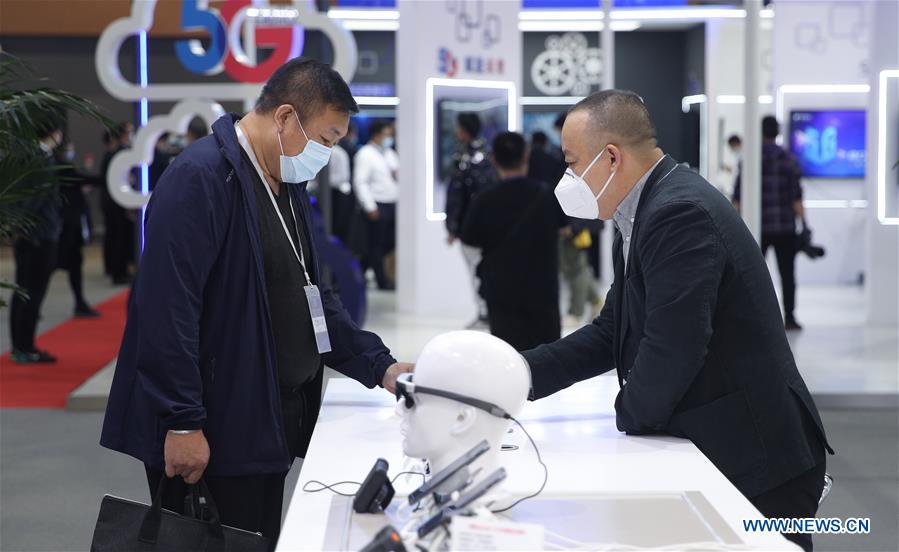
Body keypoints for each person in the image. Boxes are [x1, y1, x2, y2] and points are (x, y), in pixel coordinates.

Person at [100, 58, 413, 549]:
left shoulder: (284, 183)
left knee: (257, 539)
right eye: (326, 140)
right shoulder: (202, 178)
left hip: (263, 420)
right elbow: (167, 310)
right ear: (286, 118)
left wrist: (381, 366)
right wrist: (182, 419)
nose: (328, 154)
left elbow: (312, 295)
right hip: (214, 427)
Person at [523, 91, 832, 552]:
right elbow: (612, 329)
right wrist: (512, 374)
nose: (567, 176)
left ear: (610, 158)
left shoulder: (677, 212)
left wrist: (627, 417)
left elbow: (674, 347)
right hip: (727, 446)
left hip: (758, 460)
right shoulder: (639, 211)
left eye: (572, 162)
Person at [461, 132, 565, 351]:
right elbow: (564, 229)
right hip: (542, 289)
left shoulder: (484, 200)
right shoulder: (546, 195)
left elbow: (470, 241)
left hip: (501, 290)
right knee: (546, 358)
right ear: (526, 156)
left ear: (494, 159)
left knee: (508, 357)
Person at [733, 117, 805, 330]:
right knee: (788, 275)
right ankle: (790, 317)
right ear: (777, 132)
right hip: (785, 227)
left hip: (758, 228)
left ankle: (753, 318)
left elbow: (738, 198)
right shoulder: (789, 159)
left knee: (753, 275)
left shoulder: (750, 159)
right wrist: (805, 223)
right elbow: (796, 198)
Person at [528, 129, 602, 326]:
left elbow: (583, 193)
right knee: (575, 267)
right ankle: (595, 302)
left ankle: (576, 311)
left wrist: (574, 225)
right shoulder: (562, 161)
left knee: (576, 268)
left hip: (574, 224)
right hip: (570, 223)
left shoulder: (577, 163)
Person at [9, 122, 64, 364]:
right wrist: (26, 228)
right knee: (33, 291)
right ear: (54, 132)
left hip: (26, 235)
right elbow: (39, 198)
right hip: (39, 236)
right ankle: (26, 346)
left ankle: (20, 345)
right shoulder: (43, 159)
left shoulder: (25, 156)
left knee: (22, 290)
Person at [445, 112, 496, 329]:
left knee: (477, 272)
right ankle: (486, 312)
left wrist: (453, 227)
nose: (456, 132)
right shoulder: (488, 155)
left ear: (465, 129)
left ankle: (485, 314)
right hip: (487, 226)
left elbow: (457, 197)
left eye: (459, 127)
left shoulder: (464, 159)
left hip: (470, 228)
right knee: (483, 271)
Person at [55, 140, 101, 318]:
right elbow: (83, 179)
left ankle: (80, 302)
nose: (70, 152)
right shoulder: (62, 169)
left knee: (73, 264)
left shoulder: (63, 167)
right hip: (67, 225)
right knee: (56, 263)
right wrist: (109, 178)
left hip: (70, 226)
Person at [353, 119, 398, 290]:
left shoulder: (390, 154)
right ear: (376, 134)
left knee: (387, 244)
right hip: (377, 205)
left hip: (392, 204)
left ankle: (362, 271)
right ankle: (382, 280)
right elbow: (360, 182)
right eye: (386, 134)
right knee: (375, 245)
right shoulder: (365, 154)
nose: (389, 138)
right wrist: (369, 206)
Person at [100, 122, 135, 285]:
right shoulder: (120, 154)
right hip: (116, 203)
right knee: (118, 238)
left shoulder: (119, 153)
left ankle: (119, 270)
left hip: (116, 202)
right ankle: (118, 272)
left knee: (118, 238)